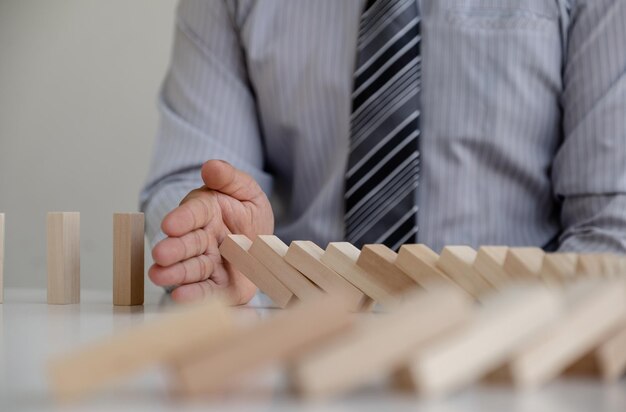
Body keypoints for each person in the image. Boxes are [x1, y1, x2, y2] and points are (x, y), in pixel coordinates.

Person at [140, 0, 626, 304]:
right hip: (301, 341)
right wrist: (219, 243)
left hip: (508, 349)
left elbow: (612, 228)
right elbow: (194, 168)